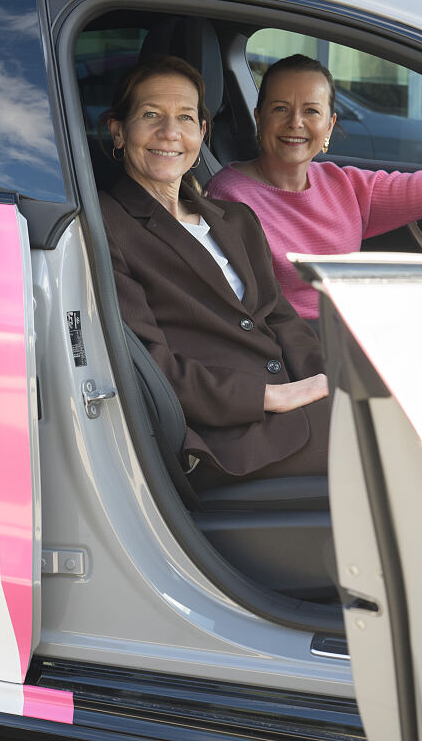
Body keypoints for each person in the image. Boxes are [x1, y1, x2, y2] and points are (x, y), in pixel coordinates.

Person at [100, 55, 328, 484]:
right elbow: (149, 364)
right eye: (151, 115)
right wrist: (268, 397)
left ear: (202, 132)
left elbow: (279, 316)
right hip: (223, 435)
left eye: (185, 117)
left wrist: (326, 378)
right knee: (405, 440)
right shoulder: (107, 225)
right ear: (118, 129)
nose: (170, 133)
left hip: (287, 405)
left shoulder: (235, 219)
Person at [206, 53, 422, 320]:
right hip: (288, 353)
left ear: (329, 126)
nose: (296, 122)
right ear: (259, 117)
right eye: (280, 109)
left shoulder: (344, 185)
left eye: (311, 111)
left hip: (346, 335)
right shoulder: (228, 195)